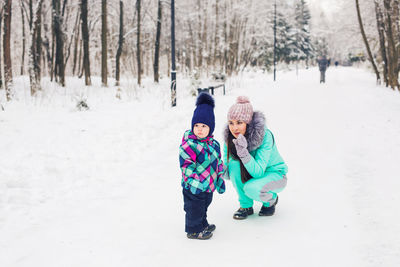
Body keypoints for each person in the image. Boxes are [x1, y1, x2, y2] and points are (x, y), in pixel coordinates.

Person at [223, 96, 288, 220]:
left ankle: (271, 200)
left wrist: (244, 153)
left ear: (248, 123)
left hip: (275, 174)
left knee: (251, 188)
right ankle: (246, 206)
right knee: (234, 165)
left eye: (239, 123)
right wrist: (216, 167)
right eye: (231, 123)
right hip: (251, 172)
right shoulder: (230, 138)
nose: (234, 128)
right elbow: (228, 173)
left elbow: (258, 172)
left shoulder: (264, 136)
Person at [179, 92, 225, 240]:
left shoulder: (213, 145)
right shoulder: (189, 145)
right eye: (196, 125)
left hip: (208, 185)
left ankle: (203, 223)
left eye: (204, 126)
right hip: (193, 186)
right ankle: (193, 229)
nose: (199, 129)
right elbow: (186, 166)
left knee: (205, 205)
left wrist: (219, 178)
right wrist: (194, 182)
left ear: (210, 128)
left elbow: (218, 162)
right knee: (194, 208)